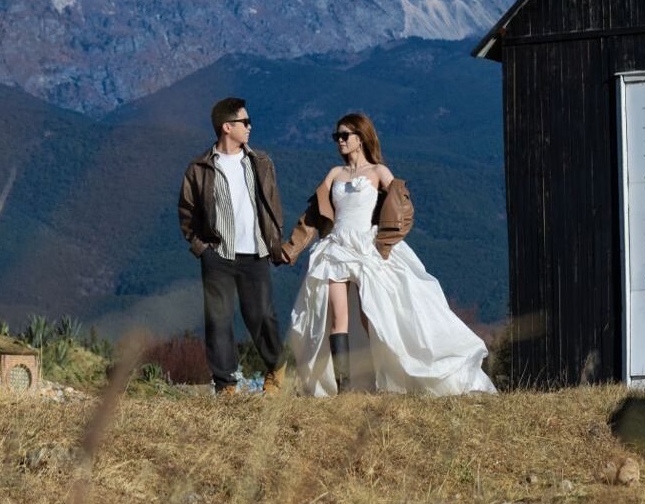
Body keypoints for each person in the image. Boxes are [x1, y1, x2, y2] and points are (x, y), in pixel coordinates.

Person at [275, 112, 496, 396]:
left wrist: (387, 240)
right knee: (337, 319)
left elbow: (403, 207)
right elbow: (312, 216)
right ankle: (345, 387)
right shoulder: (334, 173)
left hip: (367, 247)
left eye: (345, 135)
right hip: (336, 248)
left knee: (372, 314)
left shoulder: (379, 172)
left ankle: (379, 380)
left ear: (360, 138)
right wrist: (290, 248)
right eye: (336, 136)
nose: (339, 141)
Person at [177, 97, 286, 395]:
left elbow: (273, 205)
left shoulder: (260, 162)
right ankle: (225, 384)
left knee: (261, 315)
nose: (250, 127)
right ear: (227, 127)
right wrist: (202, 248)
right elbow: (187, 211)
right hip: (218, 255)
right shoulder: (200, 167)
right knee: (219, 320)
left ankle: (276, 367)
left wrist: (274, 239)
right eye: (245, 122)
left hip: (255, 252)